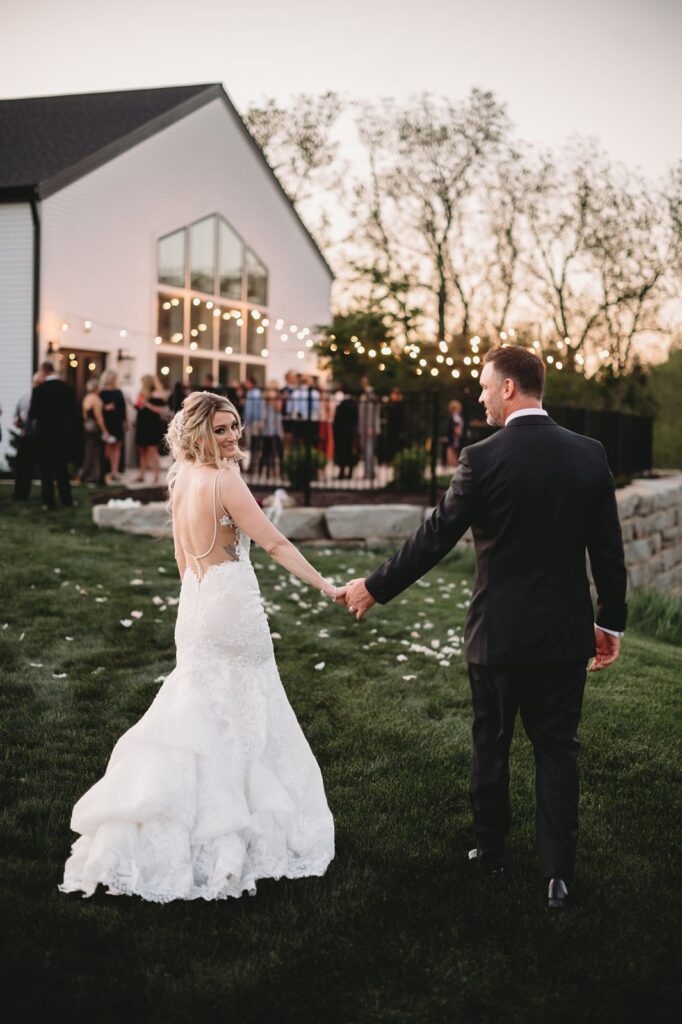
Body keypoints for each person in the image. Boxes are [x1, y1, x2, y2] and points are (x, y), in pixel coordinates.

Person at [342, 347, 627, 911]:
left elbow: (435, 536)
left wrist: (375, 587)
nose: (477, 397)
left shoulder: (482, 458)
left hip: (497, 636)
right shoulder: (589, 455)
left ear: (509, 390)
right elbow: (610, 554)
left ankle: (491, 852)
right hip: (564, 636)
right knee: (558, 752)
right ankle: (557, 876)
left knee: (490, 745)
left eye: (483, 386)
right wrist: (608, 623)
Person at [59, 390, 338, 902]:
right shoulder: (225, 481)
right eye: (222, 429)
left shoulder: (181, 478)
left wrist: (196, 602)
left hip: (198, 602)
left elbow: (182, 557)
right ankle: (237, 831)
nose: (234, 437)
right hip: (231, 604)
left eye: (236, 427)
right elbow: (275, 543)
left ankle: (191, 822)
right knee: (248, 713)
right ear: (199, 434)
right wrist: (327, 586)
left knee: (202, 713)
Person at [29, 361, 76, 510]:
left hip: (44, 435)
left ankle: (49, 502)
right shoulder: (67, 389)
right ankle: (67, 500)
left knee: (46, 469)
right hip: (61, 434)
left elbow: (32, 413)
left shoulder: (39, 390)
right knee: (62, 469)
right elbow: (72, 412)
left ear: (43, 371)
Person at [13, 370, 45, 500]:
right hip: (26, 436)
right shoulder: (25, 398)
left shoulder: (47, 401)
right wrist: (18, 421)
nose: (37, 386)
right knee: (22, 467)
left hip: (41, 437)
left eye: (40, 383)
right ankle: (20, 494)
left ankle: (46, 497)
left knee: (43, 468)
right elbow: (16, 416)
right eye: (35, 383)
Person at [134, 375, 168, 484]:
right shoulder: (141, 394)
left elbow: (161, 410)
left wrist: (147, 404)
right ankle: (142, 475)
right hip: (142, 424)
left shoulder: (156, 394)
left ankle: (156, 475)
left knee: (152, 452)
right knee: (142, 451)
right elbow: (139, 407)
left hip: (152, 426)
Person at [99, 369, 127, 483]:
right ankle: (106, 471)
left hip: (118, 422)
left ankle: (115, 472)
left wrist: (126, 421)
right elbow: (97, 408)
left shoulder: (118, 391)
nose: (114, 380)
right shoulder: (101, 392)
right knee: (107, 448)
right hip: (107, 422)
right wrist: (105, 408)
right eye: (113, 378)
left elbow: (123, 408)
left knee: (117, 447)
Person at [81, 379, 108, 485]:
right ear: (96, 388)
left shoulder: (87, 398)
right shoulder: (96, 399)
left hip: (87, 428)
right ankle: (94, 476)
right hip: (95, 429)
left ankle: (86, 475)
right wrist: (105, 430)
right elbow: (99, 417)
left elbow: (85, 415)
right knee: (96, 453)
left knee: (89, 451)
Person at [259, 380, 284, 478]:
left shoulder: (276, 398)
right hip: (268, 427)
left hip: (276, 426)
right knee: (267, 451)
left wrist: (276, 399)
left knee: (278, 451)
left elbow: (279, 409)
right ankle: (265, 472)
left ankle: (278, 472)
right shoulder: (265, 398)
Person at [332, 389, 358, 480]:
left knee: (342, 452)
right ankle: (350, 472)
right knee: (350, 452)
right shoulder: (354, 405)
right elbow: (356, 419)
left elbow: (336, 420)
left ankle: (342, 472)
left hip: (341, 432)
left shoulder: (341, 406)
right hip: (351, 431)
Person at [445, 399, 464, 468]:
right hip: (452, 435)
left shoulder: (458, 416)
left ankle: (455, 462)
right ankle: (450, 463)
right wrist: (455, 430)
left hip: (458, 436)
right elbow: (450, 425)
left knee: (456, 448)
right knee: (451, 448)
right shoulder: (451, 416)